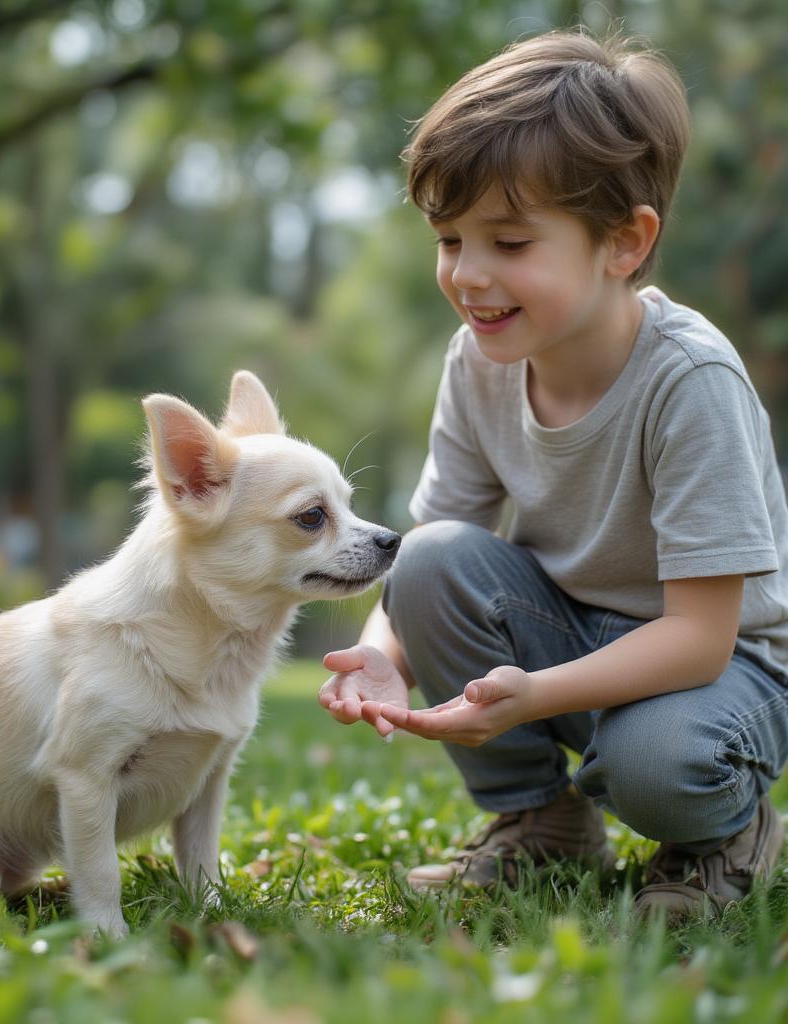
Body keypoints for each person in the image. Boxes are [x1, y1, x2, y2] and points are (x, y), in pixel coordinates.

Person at [318, 29, 788, 920]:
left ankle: (725, 833)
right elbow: (435, 551)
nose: (468, 275)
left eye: (509, 240)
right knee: (427, 557)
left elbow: (702, 639)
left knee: (661, 764)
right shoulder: (480, 359)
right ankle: (541, 822)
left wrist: (533, 695)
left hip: (718, 679)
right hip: (572, 638)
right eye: (450, 239)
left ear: (623, 242)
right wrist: (382, 658)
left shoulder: (690, 383)